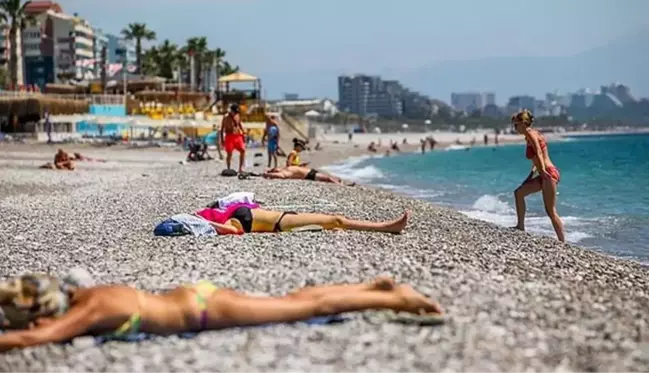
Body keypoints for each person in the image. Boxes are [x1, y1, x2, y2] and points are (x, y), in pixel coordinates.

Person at [0, 274, 441, 352]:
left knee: (303, 308)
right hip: (199, 298)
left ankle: (396, 299)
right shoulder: (93, 294)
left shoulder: (91, 309)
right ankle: (371, 288)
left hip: (206, 312)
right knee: (294, 300)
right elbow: (46, 327)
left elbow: (35, 338)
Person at [511, 109, 565, 242]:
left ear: (524, 123)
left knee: (550, 211)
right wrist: (531, 175)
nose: (515, 128)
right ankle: (520, 226)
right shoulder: (529, 135)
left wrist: (543, 172)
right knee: (519, 193)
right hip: (542, 173)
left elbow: (539, 153)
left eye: (516, 125)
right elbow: (536, 159)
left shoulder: (530, 133)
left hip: (548, 173)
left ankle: (563, 241)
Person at [263, 166, 355, 186]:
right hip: (309, 175)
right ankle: (343, 186)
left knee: (330, 177)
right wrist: (268, 174)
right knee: (328, 178)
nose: (277, 168)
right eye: (276, 169)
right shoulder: (285, 173)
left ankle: (342, 182)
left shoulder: (284, 168)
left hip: (311, 171)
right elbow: (281, 176)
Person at [220, 104, 246, 173]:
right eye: (234, 111)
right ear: (231, 110)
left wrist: (243, 133)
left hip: (238, 136)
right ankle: (228, 168)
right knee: (229, 154)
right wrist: (222, 140)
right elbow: (222, 129)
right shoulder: (225, 117)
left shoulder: (237, 115)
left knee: (243, 150)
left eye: (236, 111)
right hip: (229, 137)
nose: (235, 113)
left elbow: (239, 124)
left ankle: (240, 168)